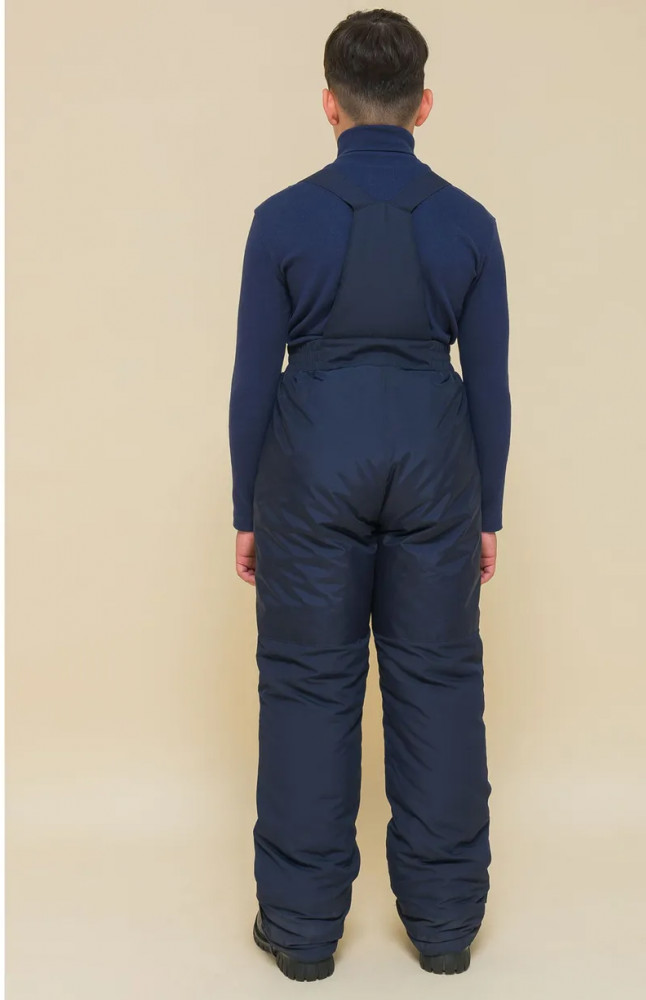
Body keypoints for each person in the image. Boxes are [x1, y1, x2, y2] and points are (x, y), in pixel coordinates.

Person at [228, 8, 511, 982]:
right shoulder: (469, 223)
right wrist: (486, 512)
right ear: (423, 106)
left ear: (329, 105)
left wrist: (247, 510)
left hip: (311, 462)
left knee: (308, 685)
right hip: (435, 459)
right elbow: (491, 384)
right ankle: (444, 929)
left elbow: (252, 381)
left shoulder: (280, 219)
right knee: (439, 685)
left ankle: (302, 934)